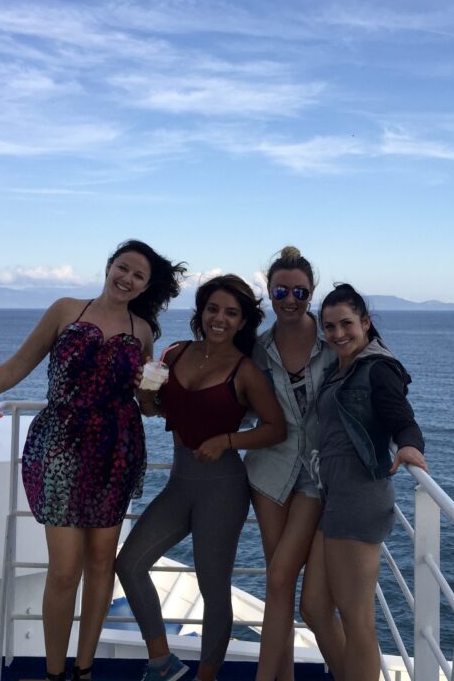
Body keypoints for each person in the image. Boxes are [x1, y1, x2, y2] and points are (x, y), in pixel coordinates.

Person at [0, 240, 185, 681]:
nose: (128, 279)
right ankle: (55, 673)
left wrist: (150, 388)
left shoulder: (143, 332)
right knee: (64, 570)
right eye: (123, 268)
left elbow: (146, 405)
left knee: (101, 562)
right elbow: (16, 367)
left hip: (115, 451)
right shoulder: (66, 310)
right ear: (108, 266)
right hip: (58, 447)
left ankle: (83, 670)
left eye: (139, 276)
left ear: (146, 286)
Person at [116, 274, 287, 681]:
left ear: (243, 321)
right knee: (130, 564)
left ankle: (206, 675)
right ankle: (162, 662)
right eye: (213, 309)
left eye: (231, 313)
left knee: (213, 588)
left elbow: (276, 427)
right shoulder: (175, 354)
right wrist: (143, 394)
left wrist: (229, 440)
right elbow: (155, 408)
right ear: (201, 312)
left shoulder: (245, 371)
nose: (220, 319)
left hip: (223, 488)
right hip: (179, 483)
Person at [312, 283, 427, 681]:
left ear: (365, 322)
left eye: (346, 324)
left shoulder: (377, 367)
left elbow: (403, 419)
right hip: (333, 498)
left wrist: (410, 446)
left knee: (357, 619)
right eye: (329, 327)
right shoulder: (338, 367)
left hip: (360, 499)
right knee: (313, 607)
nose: (338, 333)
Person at [247, 247, 344, 681]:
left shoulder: (334, 339)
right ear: (269, 291)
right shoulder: (257, 349)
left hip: (318, 477)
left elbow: (379, 381)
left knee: (281, 578)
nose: (290, 299)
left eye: (299, 291)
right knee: (279, 583)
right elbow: (235, 400)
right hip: (269, 472)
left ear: (311, 292)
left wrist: (406, 438)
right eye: (281, 290)